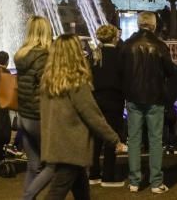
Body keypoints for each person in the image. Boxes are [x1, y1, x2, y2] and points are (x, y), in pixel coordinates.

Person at [39, 34, 126, 199]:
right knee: (57, 192)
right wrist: (114, 139)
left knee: (81, 190)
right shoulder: (76, 82)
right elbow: (92, 115)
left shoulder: (49, 81)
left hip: (57, 142)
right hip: (72, 145)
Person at [122, 12, 176, 194]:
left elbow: (121, 71)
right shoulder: (159, 46)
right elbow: (170, 70)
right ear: (153, 25)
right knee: (155, 140)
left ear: (139, 24)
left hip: (133, 96)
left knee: (134, 139)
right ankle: (156, 182)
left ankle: (135, 180)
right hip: (155, 97)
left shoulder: (128, 45)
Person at [16, 16, 54, 200]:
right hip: (39, 116)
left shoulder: (22, 54)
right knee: (55, 164)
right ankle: (27, 197)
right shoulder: (44, 57)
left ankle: (28, 196)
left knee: (34, 166)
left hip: (24, 116)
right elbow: (48, 87)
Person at [88, 25, 125, 188]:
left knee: (96, 135)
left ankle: (94, 173)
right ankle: (108, 175)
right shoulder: (119, 55)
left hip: (95, 98)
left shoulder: (94, 55)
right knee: (111, 135)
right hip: (114, 99)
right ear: (114, 37)